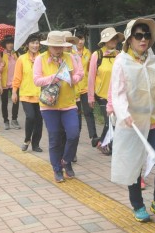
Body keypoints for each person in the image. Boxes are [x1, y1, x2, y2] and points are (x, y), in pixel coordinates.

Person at [108, 18, 155, 223]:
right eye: (138, 35)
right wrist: (123, 113)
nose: (143, 39)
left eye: (147, 35)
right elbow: (118, 92)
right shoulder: (121, 62)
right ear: (129, 39)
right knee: (134, 164)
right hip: (132, 122)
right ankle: (137, 205)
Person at [33, 31, 85, 182]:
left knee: (73, 134)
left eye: (60, 46)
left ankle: (66, 161)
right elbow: (36, 80)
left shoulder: (69, 57)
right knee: (55, 137)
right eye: (54, 46)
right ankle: (57, 169)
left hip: (69, 104)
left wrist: (70, 79)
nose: (57, 49)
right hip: (49, 106)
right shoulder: (40, 59)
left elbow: (79, 74)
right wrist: (54, 78)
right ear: (49, 46)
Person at [88, 27, 123, 155]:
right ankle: (104, 143)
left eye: (115, 38)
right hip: (102, 95)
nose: (113, 41)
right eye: (111, 38)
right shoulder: (97, 55)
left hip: (117, 94)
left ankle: (102, 142)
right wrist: (90, 97)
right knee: (110, 121)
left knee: (115, 121)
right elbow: (91, 77)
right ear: (105, 40)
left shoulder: (119, 55)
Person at [13, 33, 45, 152]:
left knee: (39, 120)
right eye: (32, 43)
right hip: (26, 94)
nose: (35, 45)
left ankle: (36, 143)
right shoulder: (21, 59)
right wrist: (14, 92)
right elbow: (17, 77)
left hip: (40, 94)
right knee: (30, 117)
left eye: (37, 43)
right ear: (27, 45)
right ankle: (27, 139)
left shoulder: (43, 58)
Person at [73, 31, 99, 148]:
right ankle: (75, 138)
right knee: (76, 115)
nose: (80, 41)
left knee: (89, 112)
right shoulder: (70, 53)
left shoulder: (89, 53)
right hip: (74, 89)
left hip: (85, 88)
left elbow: (91, 71)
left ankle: (93, 137)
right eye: (78, 39)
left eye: (82, 39)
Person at [0, 37, 19, 129]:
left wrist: (16, 59)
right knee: (4, 102)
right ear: (5, 45)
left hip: (15, 82)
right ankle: (6, 120)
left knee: (16, 101)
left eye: (11, 43)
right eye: (8, 43)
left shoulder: (16, 54)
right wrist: (1, 66)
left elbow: (20, 68)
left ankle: (14, 119)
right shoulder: (0, 55)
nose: (10, 45)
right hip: (4, 83)